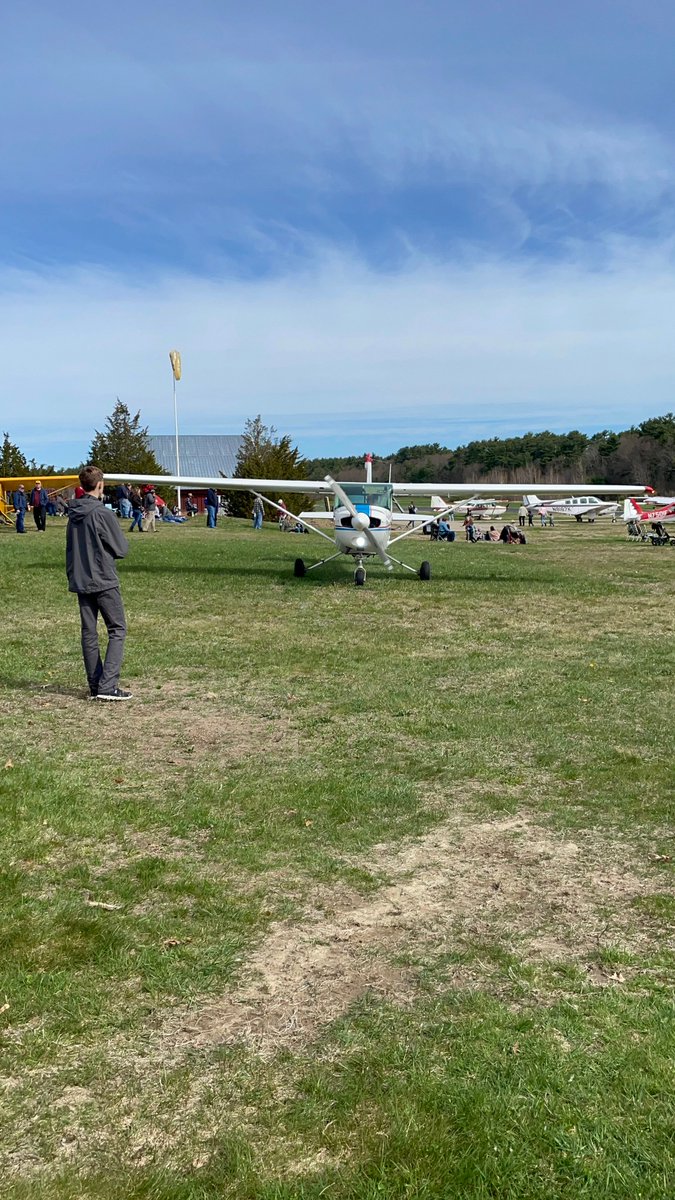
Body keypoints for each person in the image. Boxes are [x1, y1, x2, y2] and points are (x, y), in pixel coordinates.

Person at [66, 464, 131, 701]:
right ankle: (107, 685)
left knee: (89, 632)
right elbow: (121, 549)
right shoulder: (102, 513)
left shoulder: (73, 514)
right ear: (100, 485)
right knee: (117, 629)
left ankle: (95, 684)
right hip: (103, 578)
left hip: (81, 579)